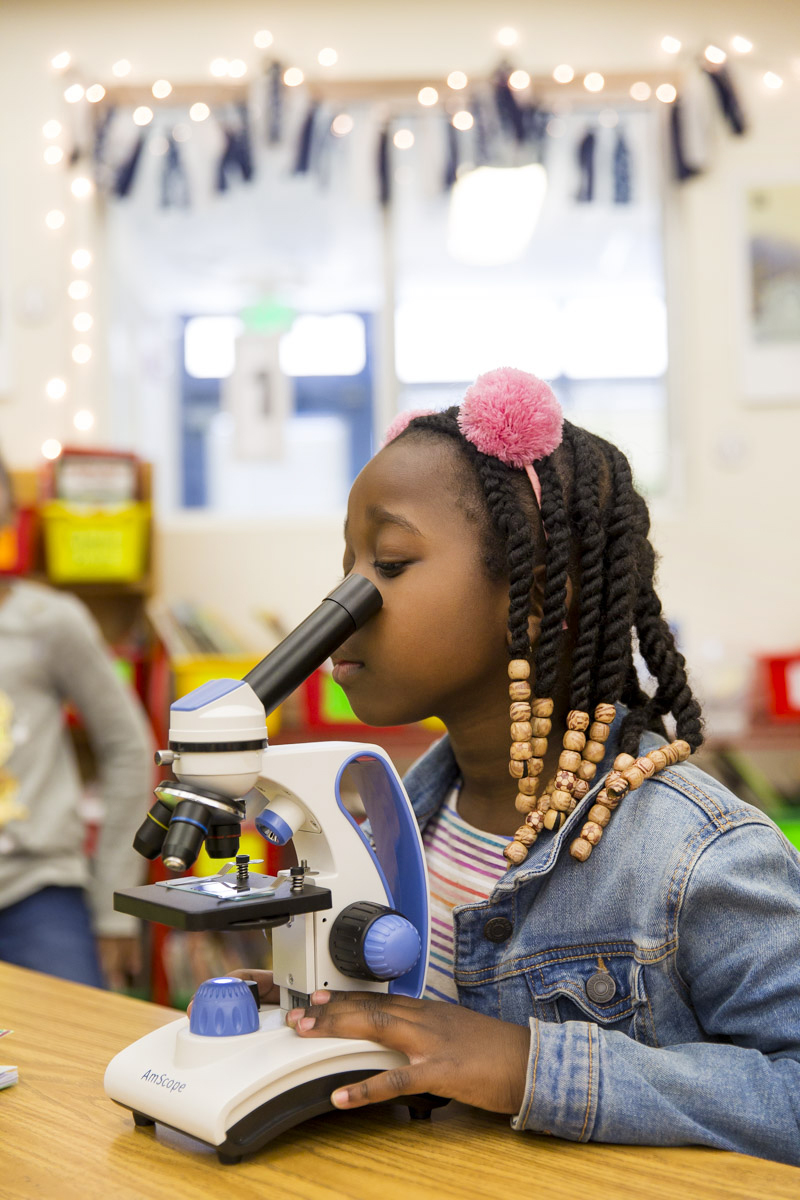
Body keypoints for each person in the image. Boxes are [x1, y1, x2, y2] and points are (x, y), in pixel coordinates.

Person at [230, 368, 800, 1166]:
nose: (341, 605)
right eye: (347, 564)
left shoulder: (698, 856)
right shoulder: (390, 828)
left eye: (388, 564)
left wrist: (528, 1066)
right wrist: (320, 1015)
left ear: (538, 593)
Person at [0, 455, 152, 989]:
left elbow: (130, 750)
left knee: (80, 1055)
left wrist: (114, 904)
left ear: (10, 518)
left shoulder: (50, 622)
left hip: (35, 889)